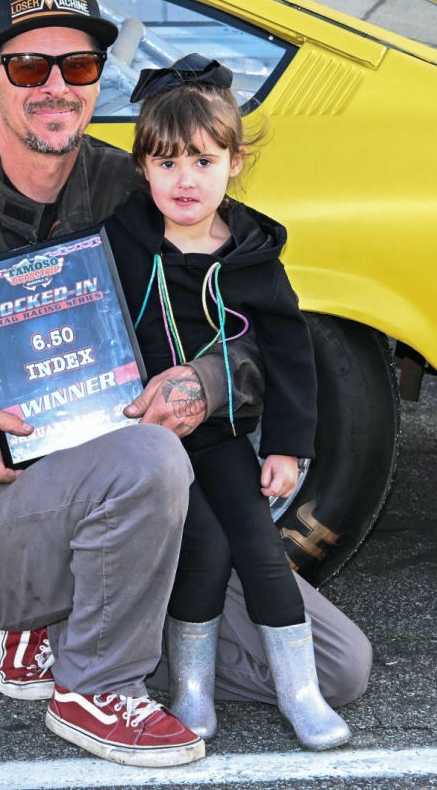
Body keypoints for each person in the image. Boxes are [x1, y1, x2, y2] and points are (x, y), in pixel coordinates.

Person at [0, 0, 370, 767]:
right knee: (148, 458)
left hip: (136, 509)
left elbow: (255, 334)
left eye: (79, 67)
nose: (55, 87)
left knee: (340, 667)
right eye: (29, 67)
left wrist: (205, 383)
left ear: (97, 83)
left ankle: (69, 626)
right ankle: (96, 685)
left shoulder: (136, 188)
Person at [104, 55, 350, 751]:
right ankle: (192, 688)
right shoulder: (119, 244)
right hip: (146, 443)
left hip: (220, 438)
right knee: (204, 547)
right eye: (167, 162)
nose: (185, 180)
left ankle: (299, 692)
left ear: (235, 163)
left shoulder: (252, 258)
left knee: (260, 547)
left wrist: (288, 447)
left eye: (203, 161)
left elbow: (290, 356)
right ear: (143, 167)